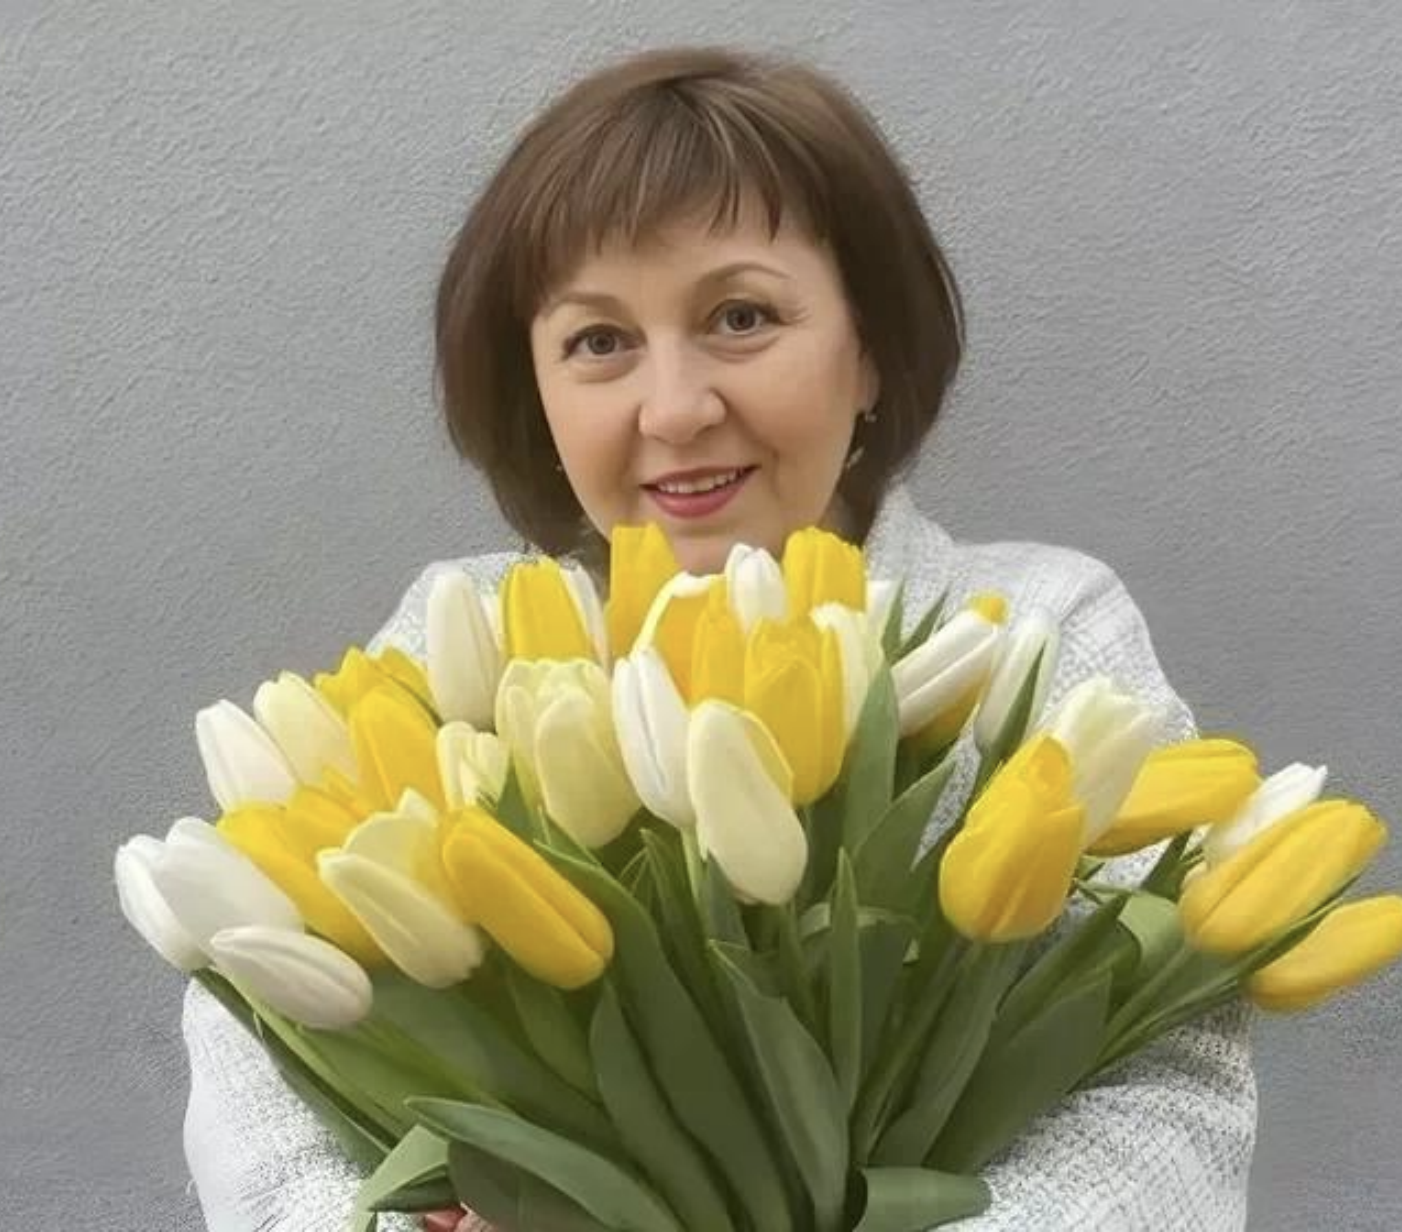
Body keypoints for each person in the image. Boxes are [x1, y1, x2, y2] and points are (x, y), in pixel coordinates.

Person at [181, 45, 1256, 1231]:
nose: (676, 407)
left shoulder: (1036, 629)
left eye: (740, 317)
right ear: (533, 389)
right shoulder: (462, 641)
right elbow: (257, 1015)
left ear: (870, 349)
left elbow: (1174, 1083)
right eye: (599, 341)